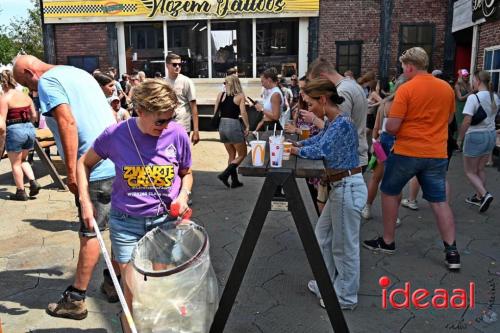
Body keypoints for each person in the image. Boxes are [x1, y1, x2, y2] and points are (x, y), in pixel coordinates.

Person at [77, 79, 192, 332]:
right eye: (159, 121)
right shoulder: (117, 134)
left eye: (169, 119)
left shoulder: (177, 133)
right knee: (133, 291)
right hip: (126, 223)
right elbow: (83, 163)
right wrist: (85, 201)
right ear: (141, 111)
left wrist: (183, 195)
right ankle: (128, 324)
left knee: (160, 287)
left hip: (164, 223)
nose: (165, 127)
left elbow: (186, 172)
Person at [13, 55, 118, 319]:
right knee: (119, 226)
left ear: (29, 71)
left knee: (91, 231)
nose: (32, 91)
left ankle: (76, 298)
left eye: (27, 84)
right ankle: (113, 281)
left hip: (93, 167)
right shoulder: (78, 73)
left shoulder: (49, 80)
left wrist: (73, 171)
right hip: (117, 160)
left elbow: (67, 122)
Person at [362, 47, 461, 271]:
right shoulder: (446, 88)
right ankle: (452, 251)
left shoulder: (407, 90)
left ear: (409, 66)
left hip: (407, 151)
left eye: (403, 68)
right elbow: (448, 120)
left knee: (389, 191)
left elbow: (394, 126)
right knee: (439, 201)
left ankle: (388, 240)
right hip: (436, 153)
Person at [290, 78, 367, 310]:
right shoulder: (336, 121)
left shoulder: (341, 123)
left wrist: (294, 148)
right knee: (323, 237)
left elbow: (321, 149)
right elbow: (318, 140)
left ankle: (345, 297)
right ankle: (326, 282)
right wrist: (297, 146)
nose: (310, 109)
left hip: (347, 187)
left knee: (344, 247)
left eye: (311, 104)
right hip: (342, 187)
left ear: (323, 99)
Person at [307, 58, 369, 170]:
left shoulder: (342, 91)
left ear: (323, 77)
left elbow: (336, 132)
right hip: (356, 156)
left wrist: (314, 120)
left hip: (347, 163)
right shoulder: (351, 85)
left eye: (316, 85)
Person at [361, 76, 407, 223]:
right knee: (395, 182)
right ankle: (393, 214)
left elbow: (376, 127)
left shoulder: (386, 104)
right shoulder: (408, 107)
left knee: (376, 177)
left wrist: (374, 143)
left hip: (382, 144)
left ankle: (367, 207)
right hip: (399, 145)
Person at [457, 70, 498, 213]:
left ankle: (485, 194)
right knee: (480, 169)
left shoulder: (474, 98)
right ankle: (479, 196)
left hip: (475, 136)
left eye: (473, 80)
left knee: (469, 171)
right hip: (491, 135)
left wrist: (460, 138)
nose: (472, 82)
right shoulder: (495, 97)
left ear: (478, 81)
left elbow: (467, 120)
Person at [0, 70, 41, 200]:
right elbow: (34, 116)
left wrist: (2, 138)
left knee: (15, 164)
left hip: (14, 129)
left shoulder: (4, 98)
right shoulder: (26, 96)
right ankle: (33, 182)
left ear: (3, 82)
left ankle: (21, 192)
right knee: (23, 160)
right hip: (29, 129)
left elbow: (1, 124)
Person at [215, 75, 250, 188]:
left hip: (222, 125)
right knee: (242, 154)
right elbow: (243, 113)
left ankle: (235, 181)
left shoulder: (221, 95)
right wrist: (247, 126)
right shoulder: (239, 96)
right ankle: (225, 175)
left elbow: (216, 111)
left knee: (231, 154)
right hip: (233, 125)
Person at [164, 53, 200, 145]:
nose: (177, 67)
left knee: (182, 154)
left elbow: (194, 107)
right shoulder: (163, 83)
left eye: (180, 64)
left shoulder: (186, 81)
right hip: (166, 125)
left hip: (182, 124)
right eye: (174, 64)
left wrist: (196, 131)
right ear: (167, 65)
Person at [254, 67, 284, 131]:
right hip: (268, 125)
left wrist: (261, 109)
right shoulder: (271, 92)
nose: (262, 84)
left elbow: (276, 116)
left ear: (269, 80)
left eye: (263, 81)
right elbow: (267, 115)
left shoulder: (275, 94)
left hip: (272, 127)